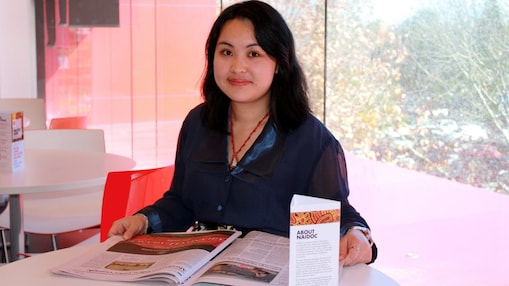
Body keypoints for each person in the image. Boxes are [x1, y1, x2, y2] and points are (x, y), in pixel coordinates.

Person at [108, 0, 377, 265]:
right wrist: (142, 220)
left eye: (253, 54)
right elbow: (182, 202)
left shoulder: (311, 139)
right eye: (226, 52)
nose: (237, 67)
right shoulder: (197, 123)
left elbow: (335, 214)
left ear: (280, 63)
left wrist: (357, 234)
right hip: (198, 270)